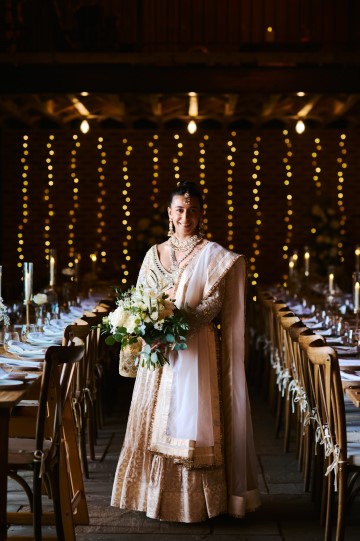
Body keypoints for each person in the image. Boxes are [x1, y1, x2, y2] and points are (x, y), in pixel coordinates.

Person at [111, 181, 261, 522]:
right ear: (169, 213)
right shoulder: (154, 253)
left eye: (192, 210)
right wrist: (150, 330)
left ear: (201, 214)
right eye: (180, 209)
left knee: (195, 426)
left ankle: (198, 504)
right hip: (159, 357)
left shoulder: (213, 254)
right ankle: (154, 499)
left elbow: (214, 303)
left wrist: (175, 328)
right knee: (152, 422)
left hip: (198, 350)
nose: (186, 216)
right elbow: (140, 300)